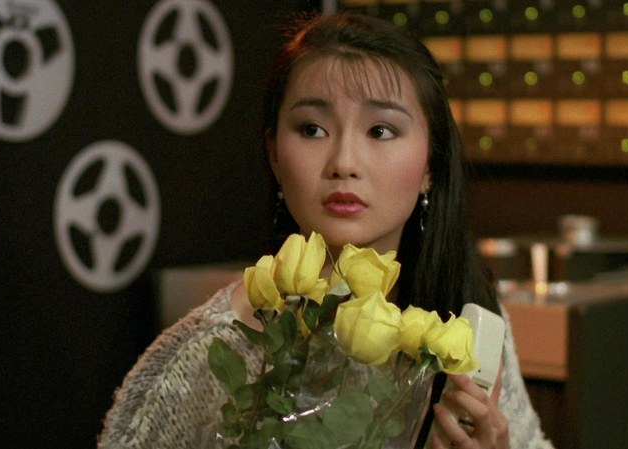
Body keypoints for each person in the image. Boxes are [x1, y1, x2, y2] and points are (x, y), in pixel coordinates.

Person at [98, 12, 554, 449]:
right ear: (274, 155)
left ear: (430, 165)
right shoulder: (210, 350)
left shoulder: (466, 322)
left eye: (380, 131)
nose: (344, 163)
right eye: (312, 129)